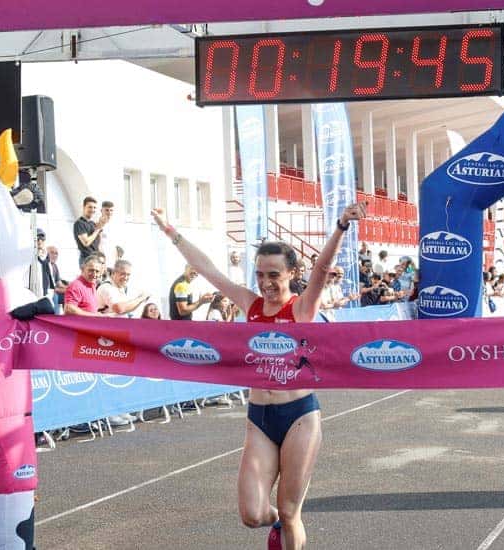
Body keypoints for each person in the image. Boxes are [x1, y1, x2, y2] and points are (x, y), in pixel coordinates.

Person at [151, 201, 367, 550]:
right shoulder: (249, 304)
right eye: (261, 274)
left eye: (274, 275)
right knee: (252, 513)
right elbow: (207, 270)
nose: (265, 283)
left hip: (300, 416)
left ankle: (287, 522)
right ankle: (277, 522)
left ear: (291, 274)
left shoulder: (300, 308)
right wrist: (170, 231)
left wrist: (341, 226)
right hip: (260, 418)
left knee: (291, 510)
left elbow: (323, 269)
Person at [73, 196, 108, 266]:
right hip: (86, 260)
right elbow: (86, 242)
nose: (92, 210)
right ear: (84, 207)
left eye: (94, 208)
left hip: (96, 259)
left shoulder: (92, 224)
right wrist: (97, 229)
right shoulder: (79, 223)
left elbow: (98, 244)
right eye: (90, 207)